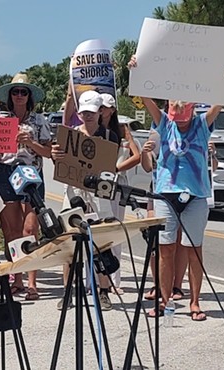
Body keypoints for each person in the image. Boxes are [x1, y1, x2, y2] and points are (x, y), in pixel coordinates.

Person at [129, 56, 224, 320]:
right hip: (167, 193)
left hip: (196, 194)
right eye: (177, 117)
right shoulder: (165, 122)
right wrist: (136, 71)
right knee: (165, 249)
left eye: (184, 117)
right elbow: (146, 100)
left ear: (191, 111)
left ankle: (195, 302)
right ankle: (165, 302)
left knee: (194, 249)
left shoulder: (201, 124)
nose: (180, 122)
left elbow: (219, 103)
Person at [52, 91, 120, 311]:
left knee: (102, 243)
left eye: (91, 112)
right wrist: (56, 155)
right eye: (84, 112)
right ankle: (68, 291)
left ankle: (103, 292)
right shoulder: (70, 135)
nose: (87, 116)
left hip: (99, 193)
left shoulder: (109, 137)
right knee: (70, 241)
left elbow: (111, 167)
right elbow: (58, 164)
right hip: (73, 191)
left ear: (100, 112)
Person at [0, 73, 51, 300]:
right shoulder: (2, 120)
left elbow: (49, 152)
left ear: (29, 96)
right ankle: (19, 279)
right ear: (10, 96)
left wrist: (29, 142)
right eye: (16, 92)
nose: (20, 96)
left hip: (32, 174)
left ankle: (33, 283)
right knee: (11, 231)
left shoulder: (40, 121)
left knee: (30, 230)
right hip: (6, 173)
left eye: (24, 92)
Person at [100, 93, 141, 293]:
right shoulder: (93, 129)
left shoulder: (122, 130)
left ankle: (115, 280)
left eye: (105, 107)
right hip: (98, 185)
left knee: (115, 230)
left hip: (117, 184)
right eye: (99, 106)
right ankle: (96, 281)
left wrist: (116, 168)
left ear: (112, 110)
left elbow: (137, 156)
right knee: (98, 230)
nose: (101, 110)